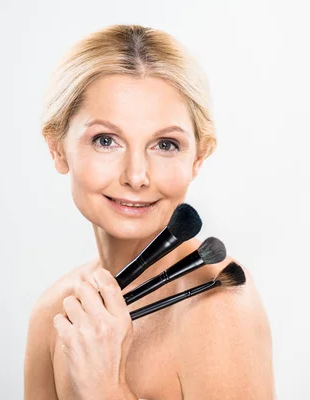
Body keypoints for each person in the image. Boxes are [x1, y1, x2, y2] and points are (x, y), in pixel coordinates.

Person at [24, 24, 274, 400]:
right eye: (106, 140)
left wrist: (106, 388)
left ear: (198, 157)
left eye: (166, 144)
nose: (136, 176)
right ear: (58, 148)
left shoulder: (217, 303)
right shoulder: (54, 315)